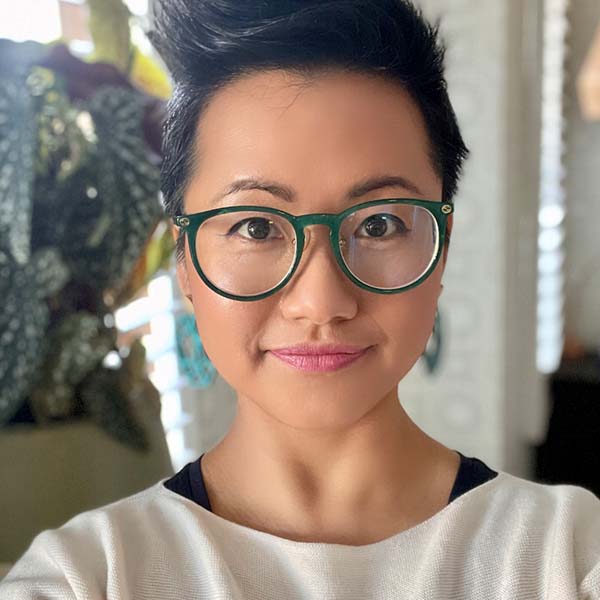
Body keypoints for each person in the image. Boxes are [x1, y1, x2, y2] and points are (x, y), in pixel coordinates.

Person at [2, 1, 600, 598]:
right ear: (183, 259)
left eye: (379, 225)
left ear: (440, 248)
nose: (321, 302)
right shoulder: (89, 578)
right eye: (256, 227)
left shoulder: (569, 556)